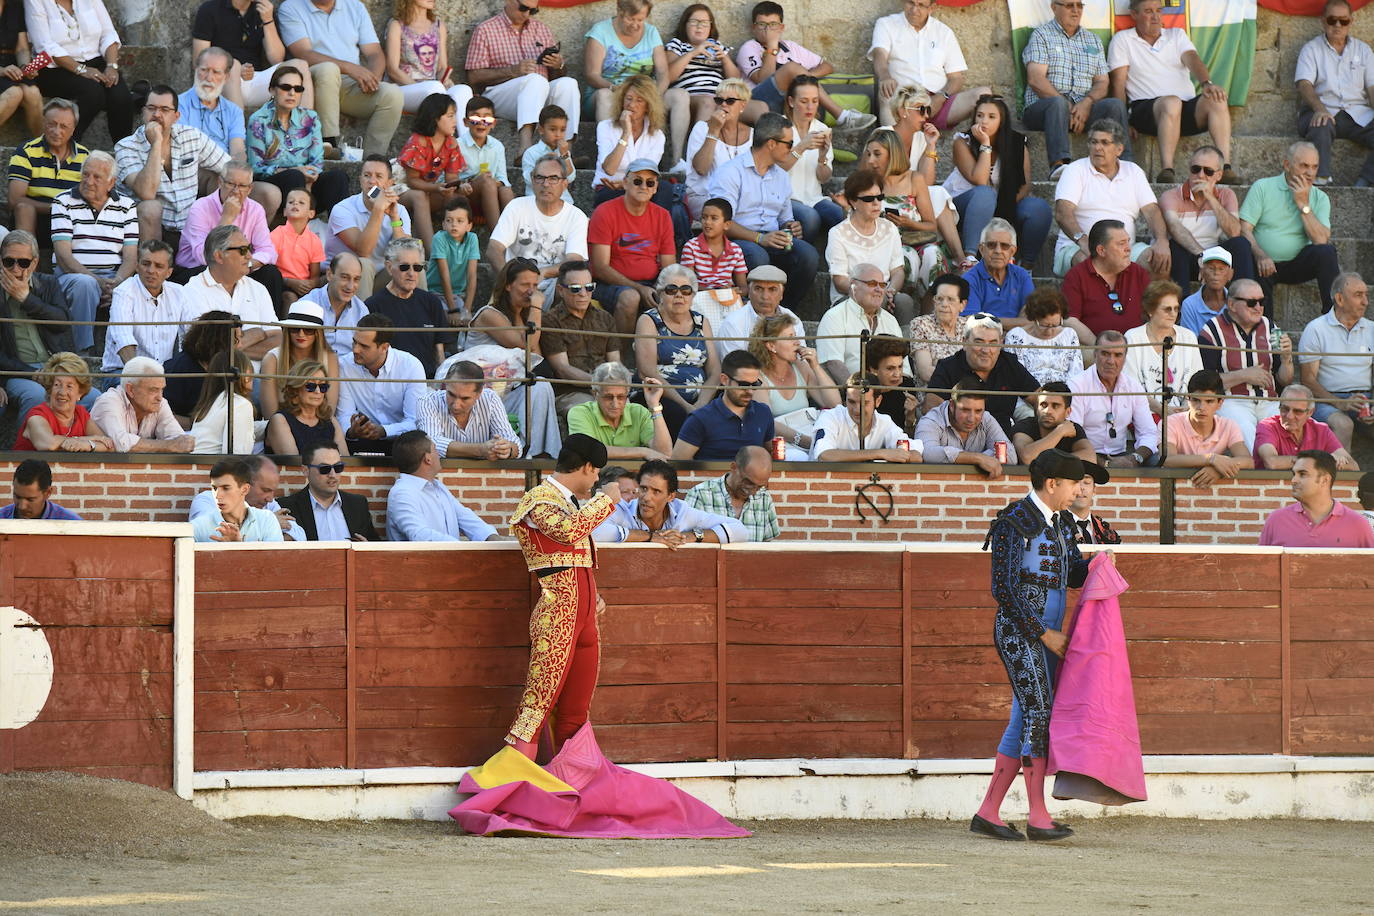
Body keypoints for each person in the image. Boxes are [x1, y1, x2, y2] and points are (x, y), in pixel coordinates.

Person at [972, 449, 1101, 844]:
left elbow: (1072, 574)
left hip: (1049, 634)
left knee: (1024, 718)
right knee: (1039, 714)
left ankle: (988, 812)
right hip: (1020, 632)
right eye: (1074, 483)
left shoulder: (1062, 523)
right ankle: (1038, 815)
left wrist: (1098, 564)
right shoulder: (1015, 521)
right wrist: (1043, 633)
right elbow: (1004, 589)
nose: (1080, 490)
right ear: (1052, 484)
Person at [503, 433, 617, 758]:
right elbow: (567, 533)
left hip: (584, 619)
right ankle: (515, 786)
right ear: (586, 467)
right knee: (536, 708)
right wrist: (606, 500)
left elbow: (575, 561)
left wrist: (592, 594)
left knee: (576, 711)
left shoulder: (569, 505)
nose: (596, 480)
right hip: (557, 617)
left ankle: (570, 784)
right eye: (596, 472)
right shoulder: (537, 499)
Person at [1107, 0, 1237, 185]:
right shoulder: (1123, 39)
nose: (1155, 16)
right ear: (1134, 15)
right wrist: (1123, 121)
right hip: (1146, 110)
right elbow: (1118, 83)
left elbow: (1192, 59)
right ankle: (1167, 169)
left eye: (1159, 10)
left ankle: (1225, 167)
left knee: (1217, 99)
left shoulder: (1176, 35)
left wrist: (1207, 83)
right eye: (1148, 11)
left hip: (1184, 109)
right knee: (1171, 102)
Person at [710, 112, 816, 313]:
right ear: (771, 144)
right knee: (758, 256)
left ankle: (784, 311)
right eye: (789, 143)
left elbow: (785, 219)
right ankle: (754, 313)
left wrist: (790, 227)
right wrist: (759, 238)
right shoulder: (731, 172)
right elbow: (721, 222)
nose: (792, 149)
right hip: (739, 241)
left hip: (771, 239)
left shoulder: (781, 176)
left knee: (808, 256)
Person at [460, 258, 562, 458]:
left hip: (508, 392)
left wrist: (532, 314)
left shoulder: (525, 319)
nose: (531, 291)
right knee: (538, 386)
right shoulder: (489, 314)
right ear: (508, 285)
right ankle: (525, 453)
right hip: (481, 395)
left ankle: (542, 454)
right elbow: (525, 343)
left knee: (540, 385)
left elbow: (535, 359)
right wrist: (537, 307)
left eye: (535, 285)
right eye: (525, 285)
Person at [279, 0, 405, 157]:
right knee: (328, 69)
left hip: (349, 83)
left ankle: (372, 161)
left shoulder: (355, 6)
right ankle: (327, 143)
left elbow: (374, 53)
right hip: (313, 82)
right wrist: (349, 68)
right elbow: (303, 53)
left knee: (392, 94)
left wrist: (372, 79)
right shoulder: (291, 7)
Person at [1021, 0, 1130, 177]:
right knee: (1057, 103)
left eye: (1079, 5)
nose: (1075, 10)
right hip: (1045, 109)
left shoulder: (1092, 40)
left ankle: (1126, 165)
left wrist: (1087, 103)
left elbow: (1102, 82)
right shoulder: (1041, 35)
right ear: (1054, 7)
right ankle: (1059, 165)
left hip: (1082, 110)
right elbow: (1036, 79)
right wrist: (1068, 107)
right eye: (1069, 5)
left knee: (1115, 105)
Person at [945, 94, 1052, 270]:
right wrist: (985, 144)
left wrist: (1002, 209)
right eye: (979, 115)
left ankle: (1026, 266)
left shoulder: (1017, 144)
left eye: (991, 116)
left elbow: (1024, 186)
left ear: (1001, 121)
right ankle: (970, 257)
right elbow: (980, 180)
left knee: (1038, 208)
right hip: (963, 207)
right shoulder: (962, 141)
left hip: (1002, 206)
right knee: (985, 194)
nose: (984, 121)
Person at [114, 86, 231, 242]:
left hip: (190, 227)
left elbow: (229, 167)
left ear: (176, 116)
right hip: (149, 229)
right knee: (150, 207)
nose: (156, 114)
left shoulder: (191, 136)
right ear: (143, 112)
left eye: (164, 109)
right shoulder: (126, 146)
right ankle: (152, 262)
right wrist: (156, 144)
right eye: (151, 108)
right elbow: (146, 193)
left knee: (222, 179)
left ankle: (214, 246)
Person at [1052, 120, 1167, 278]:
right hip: (1078, 247)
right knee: (1088, 262)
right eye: (1094, 142)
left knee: (1157, 262)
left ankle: (1147, 304)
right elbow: (1062, 213)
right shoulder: (1075, 170)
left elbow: (1152, 211)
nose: (1098, 148)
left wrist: (1161, 240)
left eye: (1105, 143)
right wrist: (1084, 242)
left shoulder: (1133, 171)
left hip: (1126, 249)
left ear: (1119, 149)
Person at [50, 152, 137, 357]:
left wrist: (117, 282)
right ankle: (83, 354)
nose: (89, 181)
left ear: (111, 182)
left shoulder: (127, 206)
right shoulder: (63, 202)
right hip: (71, 276)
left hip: (112, 276)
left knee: (135, 287)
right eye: (86, 175)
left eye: (97, 177)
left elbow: (131, 257)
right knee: (85, 284)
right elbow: (63, 256)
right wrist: (98, 282)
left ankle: (130, 356)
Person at [584, 0, 693, 164]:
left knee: (680, 96)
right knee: (604, 96)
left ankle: (677, 161)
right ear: (619, 10)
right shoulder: (600, 31)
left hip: (644, 94)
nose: (635, 25)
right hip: (610, 92)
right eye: (630, 19)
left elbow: (663, 72)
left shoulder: (651, 32)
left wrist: (654, 96)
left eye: (640, 20)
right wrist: (616, 88)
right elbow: (592, 75)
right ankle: (609, 160)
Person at [736, 0, 873, 130]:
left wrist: (803, 77)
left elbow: (827, 66)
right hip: (758, 102)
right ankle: (842, 116)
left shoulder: (790, 47)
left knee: (796, 74)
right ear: (754, 27)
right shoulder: (749, 47)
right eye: (762, 24)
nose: (767, 30)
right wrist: (772, 47)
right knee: (792, 68)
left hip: (790, 103)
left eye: (773, 25)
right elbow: (762, 79)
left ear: (781, 28)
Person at [860, 127, 967, 294]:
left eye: (877, 154)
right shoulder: (869, 183)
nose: (871, 160)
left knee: (933, 253)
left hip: (918, 239)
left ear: (892, 154)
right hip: (887, 247)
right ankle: (904, 307)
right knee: (906, 255)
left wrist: (909, 223)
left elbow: (931, 225)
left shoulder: (914, 179)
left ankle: (931, 310)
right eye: (869, 154)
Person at [1240, 141, 1341, 316]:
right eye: (1304, 166)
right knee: (1251, 262)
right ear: (1287, 164)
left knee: (1327, 252)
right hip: (1264, 264)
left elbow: (1320, 240)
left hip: (1297, 264)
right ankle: (1265, 330)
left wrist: (1303, 203)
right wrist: (1260, 254)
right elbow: (1244, 228)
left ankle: (1333, 317)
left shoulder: (1320, 197)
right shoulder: (1263, 187)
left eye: (1314, 167)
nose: (1310, 173)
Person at [465, 0, 577, 154]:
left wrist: (557, 66)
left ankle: (565, 151)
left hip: (537, 93)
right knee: (535, 80)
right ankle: (526, 149)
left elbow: (556, 76)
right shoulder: (486, 30)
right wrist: (512, 71)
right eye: (523, 8)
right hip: (500, 95)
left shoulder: (541, 29)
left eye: (533, 11)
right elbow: (474, 76)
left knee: (568, 84)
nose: (526, 14)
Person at [1198, 278, 1293, 452]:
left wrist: (1287, 359)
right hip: (1232, 401)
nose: (1258, 307)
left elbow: (1285, 380)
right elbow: (1204, 384)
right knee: (1245, 431)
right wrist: (1243, 375)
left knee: (1285, 431)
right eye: (1251, 302)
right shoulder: (1211, 330)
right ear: (1232, 304)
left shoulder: (1271, 327)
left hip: (1269, 401)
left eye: (1262, 301)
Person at [247, 65, 350, 223]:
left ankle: (341, 232)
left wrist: (309, 178)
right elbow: (257, 168)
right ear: (272, 90)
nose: (292, 93)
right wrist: (296, 171)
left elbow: (317, 161)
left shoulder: (310, 118)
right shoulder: (258, 120)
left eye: (298, 88)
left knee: (338, 178)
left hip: (306, 182)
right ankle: (295, 233)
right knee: (293, 176)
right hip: (275, 185)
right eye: (285, 87)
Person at [178, 163, 286, 313]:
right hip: (196, 270)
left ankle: (271, 327)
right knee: (209, 270)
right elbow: (204, 257)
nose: (236, 191)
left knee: (271, 273)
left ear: (250, 189)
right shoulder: (200, 207)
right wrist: (226, 218)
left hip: (239, 269)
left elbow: (268, 251)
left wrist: (245, 266)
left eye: (242, 186)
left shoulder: (255, 209)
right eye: (230, 184)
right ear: (220, 182)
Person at [0, 229, 82, 425]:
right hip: (16, 372)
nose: (16, 269)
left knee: (95, 397)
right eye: (8, 262)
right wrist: (31, 373)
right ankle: (25, 453)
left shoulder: (48, 283)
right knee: (36, 396)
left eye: (23, 262)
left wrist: (26, 299)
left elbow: (62, 322)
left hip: (55, 369)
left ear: (35, 263)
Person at [589, 159, 677, 336]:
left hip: (650, 283)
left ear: (655, 188)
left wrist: (663, 289)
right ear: (625, 183)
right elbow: (600, 267)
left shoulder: (663, 216)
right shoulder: (605, 212)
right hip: (608, 283)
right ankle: (620, 359)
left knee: (679, 294)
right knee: (630, 298)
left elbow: (669, 266)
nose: (643, 186)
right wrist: (638, 288)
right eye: (637, 181)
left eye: (649, 182)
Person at [487, 152, 590, 304]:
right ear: (532, 180)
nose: (546, 184)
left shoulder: (576, 216)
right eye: (540, 177)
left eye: (553, 178)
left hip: (553, 284)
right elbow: (493, 249)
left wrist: (544, 273)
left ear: (565, 184)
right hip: (515, 282)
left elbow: (574, 261)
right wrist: (508, 281)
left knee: (571, 285)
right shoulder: (517, 206)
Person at [26, 0, 134, 142]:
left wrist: (111, 65)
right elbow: (45, 46)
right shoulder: (35, 2)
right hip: (56, 68)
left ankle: (124, 152)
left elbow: (108, 33)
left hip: (95, 61)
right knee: (93, 93)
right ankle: (65, 144)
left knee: (121, 96)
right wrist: (80, 69)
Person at [633, 264, 717, 438]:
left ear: (693, 295)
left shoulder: (701, 321)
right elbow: (647, 372)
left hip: (700, 398)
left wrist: (701, 404)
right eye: (671, 290)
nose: (679, 295)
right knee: (677, 415)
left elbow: (715, 370)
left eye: (686, 290)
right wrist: (686, 407)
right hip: (659, 394)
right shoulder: (649, 320)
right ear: (660, 293)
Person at [1296, 1, 1374, 187]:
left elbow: (1372, 87)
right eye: (1332, 20)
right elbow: (1304, 84)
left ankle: (1364, 183)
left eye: (1343, 21)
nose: (1337, 25)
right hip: (1322, 110)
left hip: (1357, 114)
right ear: (1323, 22)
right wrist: (1320, 109)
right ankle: (1322, 181)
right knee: (1320, 124)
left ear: (1351, 22)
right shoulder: (1311, 49)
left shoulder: (1363, 50)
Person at [926, 311, 1040, 438]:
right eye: (979, 342)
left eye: (993, 343)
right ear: (964, 342)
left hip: (1001, 441)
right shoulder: (948, 367)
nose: (986, 350)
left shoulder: (1009, 364)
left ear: (1001, 343)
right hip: (959, 440)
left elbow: (1040, 398)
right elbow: (931, 408)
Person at [824, 170, 913, 332]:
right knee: (875, 299)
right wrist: (869, 291)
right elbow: (839, 280)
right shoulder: (838, 233)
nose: (876, 203)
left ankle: (902, 353)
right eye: (868, 199)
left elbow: (898, 271)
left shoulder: (890, 228)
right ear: (853, 201)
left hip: (884, 293)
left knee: (904, 302)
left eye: (879, 197)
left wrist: (890, 290)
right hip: (850, 296)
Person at [192, 0, 316, 112]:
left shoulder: (261, 10)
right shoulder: (210, 9)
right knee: (234, 64)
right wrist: (231, 69)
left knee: (300, 65)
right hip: (223, 79)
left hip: (256, 80)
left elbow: (276, 59)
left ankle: (304, 130)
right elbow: (199, 61)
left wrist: (268, 20)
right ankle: (238, 132)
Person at [1297, 271, 1374, 449]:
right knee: (1343, 424)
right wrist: (1340, 402)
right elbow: (1307, 380)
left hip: (1365, 399)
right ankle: (1341, 477)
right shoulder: (1316, 329)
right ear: (1339, 299)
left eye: (1366, 295)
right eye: (1358, 295)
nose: (1365, 302)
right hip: (1326, 399)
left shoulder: (1372, 329)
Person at [1161, 145, 1255, 289]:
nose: (1200, 175)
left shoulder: (1226, 195)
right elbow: (1175, 228)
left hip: (1215, 260)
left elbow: (1235, 232)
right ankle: (1181, 306)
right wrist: (1203, 257)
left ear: (1219, 175)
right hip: (1185, 259)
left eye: (1208, 171)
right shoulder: (1171, 196)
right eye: (1195, 169)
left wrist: (1211, 198)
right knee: (1175, 246)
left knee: (1241, 244)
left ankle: (1244, 298)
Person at [593, 457, 749, 544]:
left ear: (670, 496)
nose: (647, 497)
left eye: (657, 492)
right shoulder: (623, 509)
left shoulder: (682, 512)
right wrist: (648, 537)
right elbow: (594, 533)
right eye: (644, 488)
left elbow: (740, 530)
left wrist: (691, 536)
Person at [181, 226, 280, 362]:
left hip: (258, 380)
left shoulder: (258, 289)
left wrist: (231, 348)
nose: (250, 256)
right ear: (219, 256)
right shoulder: (192, 291)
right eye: (243, 250)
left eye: (249, 248)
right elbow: (208, 348)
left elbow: (278, 340)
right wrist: (258, 334)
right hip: (214, 379)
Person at [385, 429, 500, 541]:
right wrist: (462, 549)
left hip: (452, 558)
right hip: (421, 560)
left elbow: (465, 517)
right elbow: (419, 535)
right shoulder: (402, 493)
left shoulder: (437, 486)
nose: (438, 454)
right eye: (435, 449)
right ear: (428, 459)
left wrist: (492, 538)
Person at [326, 154, 412, 300]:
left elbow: (404, 254)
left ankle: (420, 320)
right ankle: (361, 321)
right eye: (367, 175)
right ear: (360, 180)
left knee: (411, 267)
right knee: (364, 264)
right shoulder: (342, 209)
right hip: (345, 277)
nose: (372, 182)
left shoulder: (400, 210)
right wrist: (378, 210)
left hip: (382, 277)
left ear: (390, 183)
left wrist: (394, 218)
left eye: (379, 176)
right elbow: (363, 251)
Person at [337, 313, 425, 454]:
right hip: (359, 442)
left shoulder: (411, 365)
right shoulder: (344, 365)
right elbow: (345, 414)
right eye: (354, 342)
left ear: (384, 347)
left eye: (364, 346)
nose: (355, 350)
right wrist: (351, 431)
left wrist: (384, 431)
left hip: (402, 443)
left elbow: (415, 421)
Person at [365, 237, 453, 378]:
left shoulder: (432, 302)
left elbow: (439, 352)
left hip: (427, 381)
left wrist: (440, 383)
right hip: (390, 383)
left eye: (417, 267)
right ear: (389, 267)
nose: (411, 273)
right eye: (404, 267)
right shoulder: (373, 306)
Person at [1068, 331, 1159, 467]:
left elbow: (1148, 432)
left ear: (1125, 357)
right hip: (1087, 456)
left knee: (1158, 459)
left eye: (1117, 355)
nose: (1111, 361)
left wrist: (1134, 459)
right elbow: (1072, 435)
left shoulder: (1133, 386)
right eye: (1105, 354)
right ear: (1095, 354)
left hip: (1123, 455)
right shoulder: (1077, 385)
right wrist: (1105, 464)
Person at [541, 259, 619, 416]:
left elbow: (615, 363)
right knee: (589, 411)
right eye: (575, 289)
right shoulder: (550, 320)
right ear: (560, 290)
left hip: (606, 389)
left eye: (589, 287)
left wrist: (614, 383)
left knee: (629, 409)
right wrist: (598, 383)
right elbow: (562, 369)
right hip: (570, 392)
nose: (583, 294)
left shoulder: (605, 318)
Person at [666, 4, 741, 162]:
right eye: (694, 22)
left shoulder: (717, 46)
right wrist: (693, 52)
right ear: (685, 25)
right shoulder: (677, 45)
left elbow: (736, 80)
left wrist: (725, 59)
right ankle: (696, 159)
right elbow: (669, 75)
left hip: (720, 98)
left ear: (710, 27)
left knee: (759, 107)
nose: (699, 27)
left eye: (704, 23)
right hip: (691, 98)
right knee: (708, 101)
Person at [672, 349, 774, 461]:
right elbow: (679, 463)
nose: (750, 391)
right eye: (743, 384)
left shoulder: (763, 413)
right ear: (724, 380)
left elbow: (771, 455)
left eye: (755, 384)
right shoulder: (700, 418)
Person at [1259, 449, 1374, 548]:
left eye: (1303, 474)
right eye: (1294, 474)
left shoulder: (1357, 524)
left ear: (1325, 480)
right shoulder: (1276, 520)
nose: (1294, 480)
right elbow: (1260, 568)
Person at [1123, 279, 1203, 417]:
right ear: (1150, 310)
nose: (1173, 313)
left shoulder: (1188, 337)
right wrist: (1161, 410)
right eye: (1167, 309)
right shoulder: (1133, 337)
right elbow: (1131, 388)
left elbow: (1197, 382)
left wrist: (1185, 410)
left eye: (1176, 308)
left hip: (1185, 414)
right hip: (1143, 415)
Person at [7, 98, 87, 235]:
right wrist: (55, 207)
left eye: (64, 126)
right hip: (35, 218)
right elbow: (14, 200)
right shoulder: (26, 151)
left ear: (73, 129)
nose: (57, 131)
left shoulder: (85, 156)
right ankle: (26, 254)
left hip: (69, 220)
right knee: (23, 207)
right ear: (43, 123)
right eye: (52, 124)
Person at [752, 312, 838, 441]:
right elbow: (767, 421)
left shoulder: (801, 367)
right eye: (790, 338)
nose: (797, 342)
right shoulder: (758, 378)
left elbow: (834, 404)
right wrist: (803, 441)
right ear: (771, 346)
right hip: (780, 444)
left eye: (796, 336)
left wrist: (815, 366)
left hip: (809, 433)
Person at [816, 260, 904, 384]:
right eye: (872, 284)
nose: (879, 290)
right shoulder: (834, 317)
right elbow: (833, 363)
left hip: (890, 392)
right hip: (853, 396)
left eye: (883, 285)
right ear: (853, 285)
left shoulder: (890, 320)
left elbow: (903, 367)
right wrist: (859, 392)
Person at [395, 92, 464, 250]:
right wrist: (436, 188)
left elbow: (452, 176)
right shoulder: (417, 141)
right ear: (435, 118)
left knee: (456, 197)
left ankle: (457, 248)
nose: (455, 121)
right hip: (401, 188)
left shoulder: (451, 143)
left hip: (427, 188)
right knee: (420, 196)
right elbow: (412, 181)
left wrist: (458, 186)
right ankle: (433, 252)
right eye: (450, 116)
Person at [1162, 369, 1253, 488]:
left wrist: (1218, 469)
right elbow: (1167, 459)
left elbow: (1248, 461)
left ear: (1220, 403)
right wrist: (1211, 459)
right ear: (1188, 399)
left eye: (1209, 401)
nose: (1202, 407)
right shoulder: (1171, 422)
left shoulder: (1228, 425)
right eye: (1196, 400)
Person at [1062, 219, 1153, 338]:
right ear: (1101, 250)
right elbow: (1069, 320)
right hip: (1093, 351)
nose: (1128, 248)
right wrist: (1099, 346)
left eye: (1128, 242)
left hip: (1135, 350)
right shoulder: (1076, 276)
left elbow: (1155, 312)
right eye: (1121, 243)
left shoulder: (1138, 273)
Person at [415, 359, 522, 459]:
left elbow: (514, 443)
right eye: (451, 394)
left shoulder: (490, 398)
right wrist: (480, 450)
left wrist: (506, 449)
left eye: (465, 398)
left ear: (479, 393)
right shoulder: (428, 401)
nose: (456, 405)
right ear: (445, 385)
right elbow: (430, 443)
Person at [187, 453, 305, 541]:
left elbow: (299, 536)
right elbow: (212, 535)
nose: (270, 498)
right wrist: (268, 527)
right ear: (246, 486)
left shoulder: (269, 506)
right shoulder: (205, 500)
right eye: (265, 490)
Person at [89, 357, 196, 453]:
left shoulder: (160, 403)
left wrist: (178, 444)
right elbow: (121, 444)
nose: (159, 397)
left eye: (161, 389)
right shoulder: (108, 402)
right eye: (153, 390)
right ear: (130, 389)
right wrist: (169, 445)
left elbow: (179, 440)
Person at [567, 361, 671, 460]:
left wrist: (654, 405)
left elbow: (664, 453)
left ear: (627, 394)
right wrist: (642, 451)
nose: (615, 404)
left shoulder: (639, 412)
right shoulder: (579, 413)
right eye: (608, 397)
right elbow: (588, 450)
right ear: (595, 394)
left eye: (621, 397)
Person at [784, 75, 844, 244]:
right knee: (811, 218)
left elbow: (824, 178)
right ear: (791, 101)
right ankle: (802, 256)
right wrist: (801, 147)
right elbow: (774, 169)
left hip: (814, 198)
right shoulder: (780, 127)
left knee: (841, 215)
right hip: (786, 199)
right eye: (804, 101)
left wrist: (822, 157)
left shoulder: (821, 129)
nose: (810, 107)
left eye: (815, 101)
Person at [384, 0, 472, 115]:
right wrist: (422, 88)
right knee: (434, 88)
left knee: (463, 90)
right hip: (405, 89)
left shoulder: (439, 25)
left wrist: (445, 80)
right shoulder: (397, 25)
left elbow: (442, 67)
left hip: (434, 90)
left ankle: (463, 133)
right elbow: (392, 70)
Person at [592, 74, 668, 205]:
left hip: (640, 188)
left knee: (665, 189)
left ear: (648, 106)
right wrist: (626, 133)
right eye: (628, 99)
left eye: (639, 100)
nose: (632, 105)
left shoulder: (657, 135)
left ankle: (659, 225)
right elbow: (609, 169)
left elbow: (648, 173)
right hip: (609, 188)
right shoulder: (606, 126)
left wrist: (624, 184)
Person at [277, 443, 379, 540]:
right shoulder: (287, 507)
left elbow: (376, 547)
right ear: (306, 470)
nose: (333, 475)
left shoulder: (357, 504)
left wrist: (366, 547)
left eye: (338, 467)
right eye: (324, 469)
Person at [811, 373, 922, 463]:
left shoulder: (884, 421)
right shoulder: (830, 416)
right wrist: (881, 454)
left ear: (878, 401)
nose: (857, 409)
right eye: (851, 402)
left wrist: (898, 454)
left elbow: (916, 456)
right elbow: (825, 455)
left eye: (864, 403)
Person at [916, 378, 1014, 476]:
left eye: (978, 411)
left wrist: (978, 459)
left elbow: (1010, 455)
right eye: (965, 410)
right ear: (952, 406)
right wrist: (978, 459)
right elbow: (926, 453)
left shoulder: (986, 418)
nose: (971, 418)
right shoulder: (931, 420)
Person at [12, 351, 110, 451]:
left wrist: (87, 444)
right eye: (57, 385)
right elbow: (48, 444)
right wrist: (84, 440)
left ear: (80, 393)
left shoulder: (80, 414)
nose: (62, 392)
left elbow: (108, 446)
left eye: (69, 386)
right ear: (50, 389)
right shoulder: (37, 415)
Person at [684, 79, 752, 219]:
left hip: (741, 198)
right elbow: (701, 169)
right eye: (719, 100)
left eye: (730, 101)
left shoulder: (753, 134)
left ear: (742, 105)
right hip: (705, 197)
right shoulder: (702, 128)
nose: (723, 105)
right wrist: (713, 131)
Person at [260, 300, 340, 418]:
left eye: (308, 329)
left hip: (319, 426)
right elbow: (270, 414)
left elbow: (329, 409)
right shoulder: (272, 359)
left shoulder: (330, 358)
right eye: (295, 328)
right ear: (287, 330)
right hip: (280, 428)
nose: (301, 334)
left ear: (318, 333)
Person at [683, 444, 779, 541]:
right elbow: (684, 540)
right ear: (733, 467)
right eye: (748, 483)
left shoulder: (764, 497)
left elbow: (768, 546)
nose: (753, 492)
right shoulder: (700, 494)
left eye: (760, 486)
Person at [678, 197, 747, 329]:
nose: (707, 222)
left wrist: (732, 292)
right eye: (704, 217)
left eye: (714, 218)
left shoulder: (735, 250)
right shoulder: (691, 247)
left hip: (728, 299)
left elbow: (744, 287)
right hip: (700, 298)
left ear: (727, 225)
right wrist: (713, 292)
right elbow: (688, 284)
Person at [1254, 384, 1357, 471]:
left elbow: (1353, 466)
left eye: (1297, 411)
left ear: (1310, 412)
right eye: (1285, 409)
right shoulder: (1267, 426)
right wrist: (1323, 460)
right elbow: (1272, 462)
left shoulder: (1321, 430)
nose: (1289, 416)